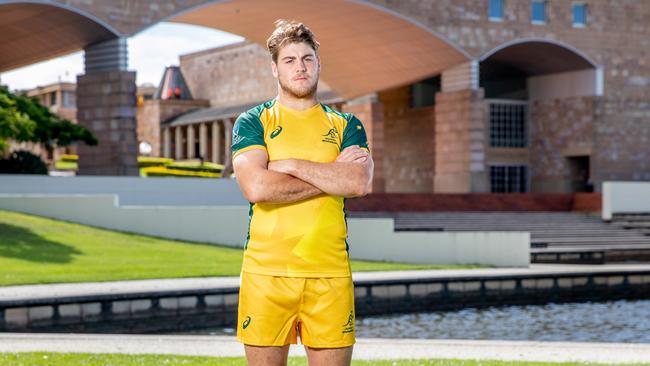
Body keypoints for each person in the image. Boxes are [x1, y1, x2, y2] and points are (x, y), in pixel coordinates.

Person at [231, 19, 374, 366]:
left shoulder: (346, 125)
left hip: (330, 274)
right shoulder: (253, 122)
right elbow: (257, 187)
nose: (300, 67)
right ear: (275, 68)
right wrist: (330, 175)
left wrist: (289, 164)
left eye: (307, 58)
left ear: (319, 64)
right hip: (267, 274)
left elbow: (358, 183)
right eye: (290, 60)